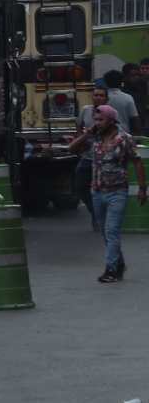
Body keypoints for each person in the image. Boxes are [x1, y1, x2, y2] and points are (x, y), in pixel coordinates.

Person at [68, 104, 146, 283]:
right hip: (97, 191)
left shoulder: (123, 138)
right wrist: (87, 133)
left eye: (101, 119)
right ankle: (118, 263)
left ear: (112, 121)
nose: (98, 123)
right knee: (104, 231)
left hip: (117, 191)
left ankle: (110, 269)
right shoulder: (93, 138)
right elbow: (72, 149)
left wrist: (142, 188)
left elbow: (137, 162)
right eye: (96, 119)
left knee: (112, 231)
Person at [76, 86, 110, 230]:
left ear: (106, 99)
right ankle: (95, 213)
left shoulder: (110, 113)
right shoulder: (85, 110)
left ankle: (104, 217)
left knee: (102, 189)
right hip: (87, 157)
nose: (98, 98)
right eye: (95, 95)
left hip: (105, 159)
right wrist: (81, 141)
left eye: (101, 95)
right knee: (79, 185)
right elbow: (78, 127)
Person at [103, 69, 141, 134]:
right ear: (121, 82)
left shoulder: (101, 97)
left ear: (105, 82)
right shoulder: (128, 98)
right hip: (123, 134)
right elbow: (134, 119)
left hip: (105, 134)